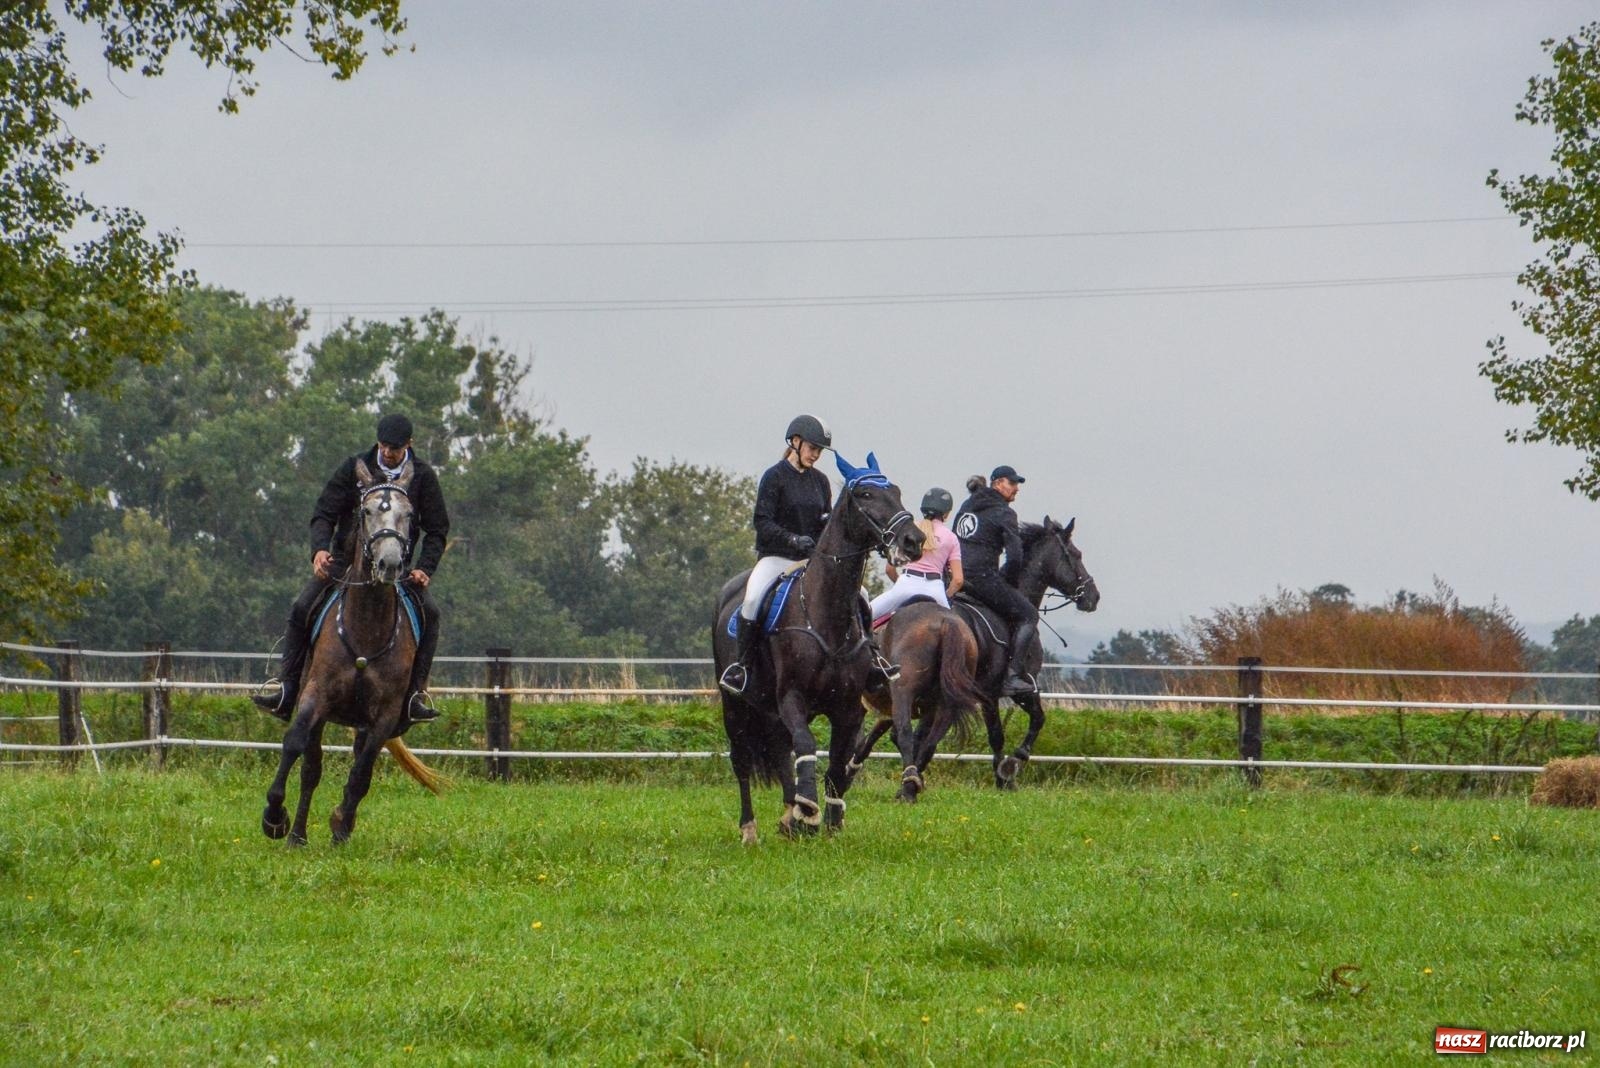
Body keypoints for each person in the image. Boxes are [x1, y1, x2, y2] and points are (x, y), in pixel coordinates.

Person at [253, 413, 450, 724]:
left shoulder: (423, 476)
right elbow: (324, 513)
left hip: (398, 569)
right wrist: (318, 550)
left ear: (409, 445)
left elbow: (437, 529)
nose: (387, 453)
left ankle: (414, 695)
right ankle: (286, 688)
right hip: (347, 564)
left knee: (433, 615)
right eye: (384, 446)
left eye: (395, 449)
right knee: (301, 606)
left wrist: (426, 567)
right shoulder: (354, 468)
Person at [719, 414, 898, 695]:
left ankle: (873, 659)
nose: (815, 455)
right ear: (796, 442)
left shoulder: (821, 481)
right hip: (776, 558)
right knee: (752, 599)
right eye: (812, 448)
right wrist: (792, 539)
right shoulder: (774, 477)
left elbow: (824, 525)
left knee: (861, 595)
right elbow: (762, 522)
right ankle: (743, 667)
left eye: (819, 450)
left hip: (810, 560)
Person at [951, 465, 1039, 695]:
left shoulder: (967, 505)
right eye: (1013, 483)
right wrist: (1007, 580)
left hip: (954, 577)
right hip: (982, 579)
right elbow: (1016, 556)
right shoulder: (1005, 513)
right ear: (998, 483)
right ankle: (1012, 676)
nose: (1017, 489)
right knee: (1029, 614)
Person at [869, 486, 963, 620]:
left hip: (906, 585)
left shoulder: (908, 530)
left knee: (865, 615)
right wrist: (946, 595)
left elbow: (890, 569)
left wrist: (901, 585)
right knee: (957, 634)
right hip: (935, 590)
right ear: (946, 514)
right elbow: (958, 580)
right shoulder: (951, 538)